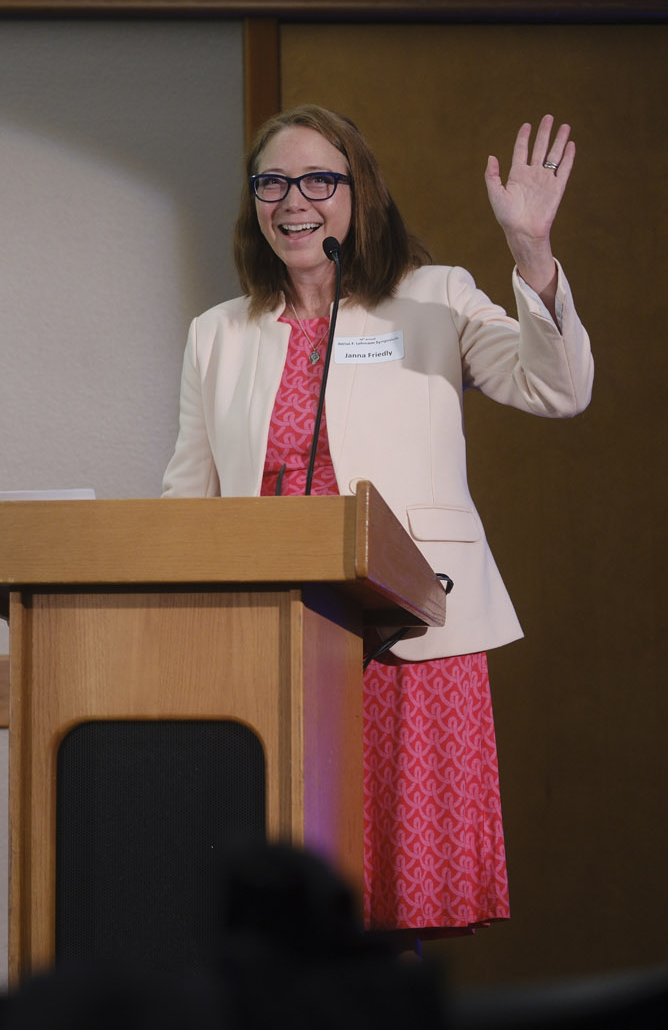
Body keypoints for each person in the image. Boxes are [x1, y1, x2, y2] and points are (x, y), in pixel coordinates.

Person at [161, 106, 593, 936]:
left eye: (320, 179)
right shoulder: (216, 334)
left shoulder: (434, 299)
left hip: (410, 639)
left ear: (359, 194)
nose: (295, 200)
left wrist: (532, 254)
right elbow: (190, 498)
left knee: (405, 911)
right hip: (271, 642)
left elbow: (559, 389)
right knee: (280, 916)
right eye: (274, 182)